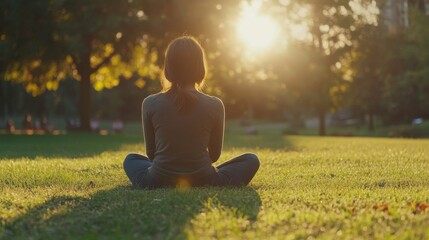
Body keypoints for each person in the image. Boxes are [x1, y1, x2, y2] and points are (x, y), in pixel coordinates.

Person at [123, 36, 260, 189]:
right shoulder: (215, 104)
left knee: (131, 159)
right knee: (251, 159)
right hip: (203, 179)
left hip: (157, 179)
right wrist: (194, 167)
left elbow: (151, 154)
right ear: (200, 68)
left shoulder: (149, 103)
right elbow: (214, 155)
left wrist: (171, 167)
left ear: (168, 67)